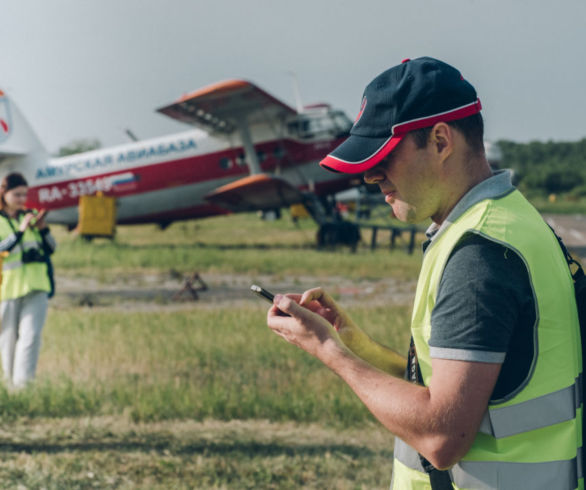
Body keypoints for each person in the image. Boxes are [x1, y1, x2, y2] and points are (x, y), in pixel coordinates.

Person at [266, 57, 582, 489]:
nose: (371, 177)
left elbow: (442, 434)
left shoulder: (478, 256)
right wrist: (353, 344)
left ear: (439, 140)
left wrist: (327, 350)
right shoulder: (511, 221)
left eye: (383, 158)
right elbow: (472, 391)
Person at [0, 172, 56, 388]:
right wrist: (20, 232)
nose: (23, 200)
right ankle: (9, 386)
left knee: (31, 338)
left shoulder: (31, 216)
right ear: (4, 194)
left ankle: (24, 387)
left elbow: (51, 249)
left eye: (25, 194)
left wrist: (42, 229)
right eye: (17, 195)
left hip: (36, 286)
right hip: (8, 288)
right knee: (8, 341)